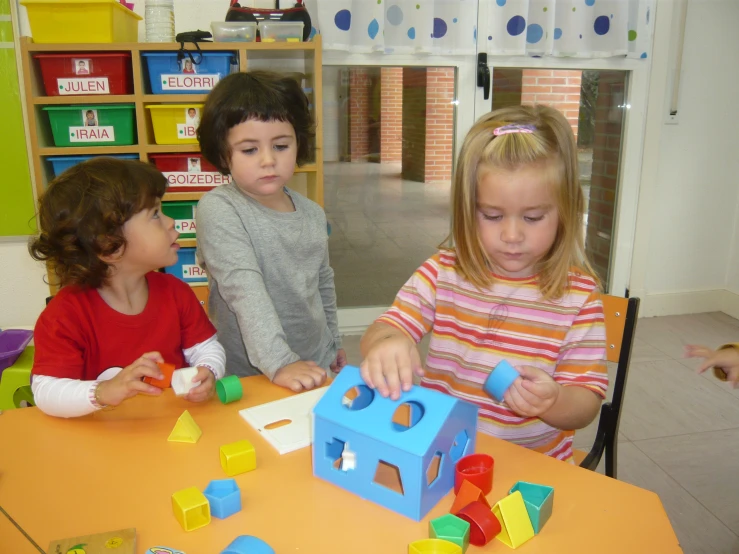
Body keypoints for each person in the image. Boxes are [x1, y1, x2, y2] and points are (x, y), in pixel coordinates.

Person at [359, 105, 608, 462]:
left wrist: (553, 401)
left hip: (531, 464)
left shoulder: (578, 298)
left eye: (533, 217)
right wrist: (388, 343)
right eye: (491, 215)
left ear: (565, 211)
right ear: (466, 209)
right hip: (443, 452)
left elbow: (586, 402)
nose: (511, 235)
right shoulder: (443, 273)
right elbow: (386, 327)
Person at [29, 158, 226, 418]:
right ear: (108, 245)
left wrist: (208, 371)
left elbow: (206, 348)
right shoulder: (65, 315)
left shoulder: (175, 292)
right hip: (104, 442)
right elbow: (46, 391)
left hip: (171, 429)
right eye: (155, 214)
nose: (170, 222)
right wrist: (104, 391)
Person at [196, 71, 345, 392]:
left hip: (312, 358)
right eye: (249, 150)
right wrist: (279, 361)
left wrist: (333, 341)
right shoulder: (220, 209)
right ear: (224, 154)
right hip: (251, 369)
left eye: (280, 145)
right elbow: (243, 289)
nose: (268, 160)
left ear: (298, 144)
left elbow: (323, 282)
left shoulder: (312, 213)